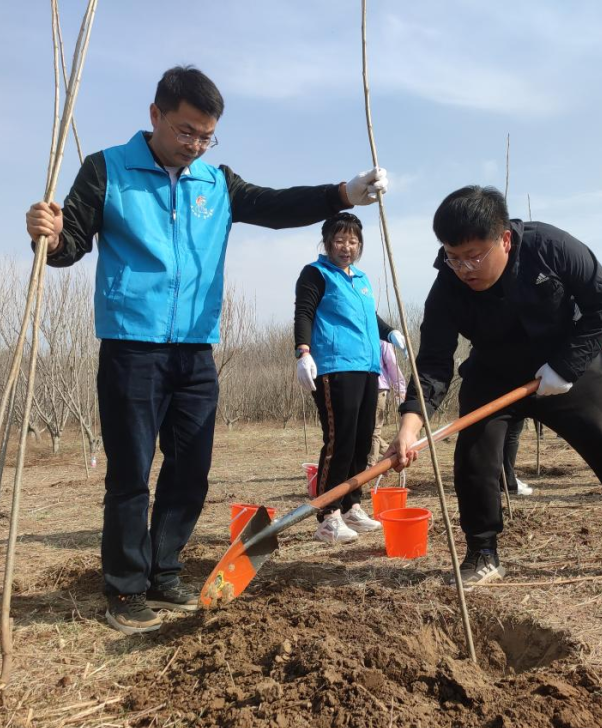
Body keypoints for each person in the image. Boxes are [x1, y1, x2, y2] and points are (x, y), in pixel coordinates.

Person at [25, 66, 388, 635]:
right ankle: (125, 589)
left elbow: (275, 205)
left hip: (195, 350)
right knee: (130, 473)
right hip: (132, 346)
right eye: (186, 131)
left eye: (206, 136)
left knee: (191, 469)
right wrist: (47, 235)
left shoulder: (216, 183)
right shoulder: (107, 169)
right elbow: (69, 244)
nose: (195, 145)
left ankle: (164, 570)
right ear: (156, 116)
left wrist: (341, 194)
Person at [385, 186, 602, 586]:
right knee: (475, 456)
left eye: (474, 256)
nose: (464, 268)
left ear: (504, 239)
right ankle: (482, 552)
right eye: (453, 256)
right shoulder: (447, 286)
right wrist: (410, 425)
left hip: (568, 361)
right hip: (495, 373)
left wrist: (565, 366)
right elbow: (433, 362)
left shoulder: (551, 247)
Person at [294, 213, 406, 541]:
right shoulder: (316, 274)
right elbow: (304, 312)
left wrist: (390, 331)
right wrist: (303, 351)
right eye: (340, 240)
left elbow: (369, 316)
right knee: (339, 439)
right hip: (335, 366)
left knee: (361, 440)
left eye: (353, 241)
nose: (347, 247)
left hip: (368, 367)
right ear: (328, 242)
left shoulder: (361, 278)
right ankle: (328, 514)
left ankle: (351, 505)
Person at [368, 337, 407, 465]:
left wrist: (400, 390)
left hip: (379, 388)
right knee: (363, 429)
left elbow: (392, 364)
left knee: (374, 430)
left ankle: (371, 466)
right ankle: (393, 453)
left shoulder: (382, 340)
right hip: (360, 388)